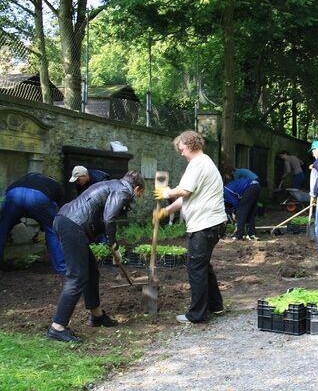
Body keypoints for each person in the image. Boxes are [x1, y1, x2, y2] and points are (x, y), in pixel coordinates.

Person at [47, 171, 145, 343]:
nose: (138, 196)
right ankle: (58, 327)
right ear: (137, 188)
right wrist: (113, 245)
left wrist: (113, 246)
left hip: (68, 221)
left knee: (92, 273)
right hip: (72, 225)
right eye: (140, 193)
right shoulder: (123, 191)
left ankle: (97, 315)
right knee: (77, 277)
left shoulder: (114, 184)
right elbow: (109, 218)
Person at [153, 130, 227, 324]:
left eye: (182, 149)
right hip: (212, 223)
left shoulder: (198, 164)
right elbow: (186, 197)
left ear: (189, 145)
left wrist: (166, 192)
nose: (181, 153)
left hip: (205, 225)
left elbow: (184, 190)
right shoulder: (204, 163)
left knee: (195, 266)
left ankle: (198, 314)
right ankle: (215, 305)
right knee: (202, 265)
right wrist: (165, 212)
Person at [0, 173, 66, 274]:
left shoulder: (28, 176)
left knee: (2, 228)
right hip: (38, 197)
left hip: (13, 194)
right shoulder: (56, 186)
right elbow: (57, 214)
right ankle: (62, 268)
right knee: (53, 230)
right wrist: (44, 229)